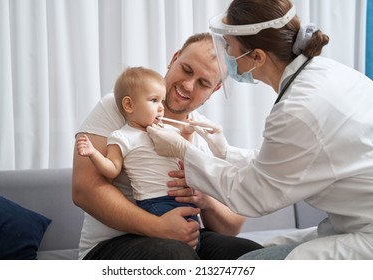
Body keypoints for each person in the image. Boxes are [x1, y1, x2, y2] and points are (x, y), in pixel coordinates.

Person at [147, 0, 373, 260]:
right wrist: (226, 152)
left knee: (249, 264)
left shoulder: (299, 108)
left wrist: (184, 152)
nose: (226, 56)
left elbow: (255, 196)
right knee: (264, 250)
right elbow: (282, 164)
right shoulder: (326, 75)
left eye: (229, 47)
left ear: (257, 57)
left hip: (366, 235)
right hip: (358, 221)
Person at [72, 32, 264, 260]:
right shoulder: (121, 106)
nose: (188, 85)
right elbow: (84, 189)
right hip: (112, 244)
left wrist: (204, 198)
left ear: (214, 90)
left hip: (186, 236)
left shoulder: (206, 133)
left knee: (251, 254)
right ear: (174, 59)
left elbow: (232, 226)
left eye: (203, 83)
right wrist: (159, 227)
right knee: (175, 254)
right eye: (186, 69)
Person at [76, 66, 200, 250]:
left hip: (181, 200)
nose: (161, 107)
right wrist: (93, 153)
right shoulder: (122, 136)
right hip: (154, 201)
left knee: (193, 243)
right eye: (154, 100)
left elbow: (183, 149)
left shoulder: (165, 130)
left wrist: (188, 133)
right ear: (129, 105)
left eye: (162, 101)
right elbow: (112, 168)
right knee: (178, 248)